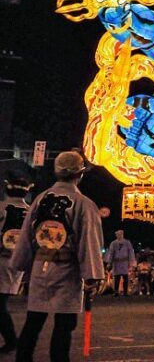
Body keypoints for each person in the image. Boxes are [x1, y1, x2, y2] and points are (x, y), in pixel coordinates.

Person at [10, 151, 105, 362]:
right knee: (64, 326)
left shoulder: (40, 199)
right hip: (67, 268)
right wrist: (92, 275)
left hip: (39, 265)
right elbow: (89, 241)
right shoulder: (83, 203)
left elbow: (26, 235)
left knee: (33, 322)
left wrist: (23, 267)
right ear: (80, 175)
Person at [0, 173, 33, 353]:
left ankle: (12, 340)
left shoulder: (2, 207)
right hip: (18, 261)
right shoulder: (31, 212)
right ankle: (11, 340)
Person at [105, 230, 136, 297]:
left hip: (125, 262)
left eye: (120, 234)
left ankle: (125, 291)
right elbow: (111, 253)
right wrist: (109, 262)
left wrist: (131, 262)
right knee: (117, 277)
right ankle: (116, 291)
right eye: (118, 234)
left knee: (125, 277)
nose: (119, 236)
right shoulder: (113, 243)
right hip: (116, 262)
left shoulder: (127, 242)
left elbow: (130, 252)